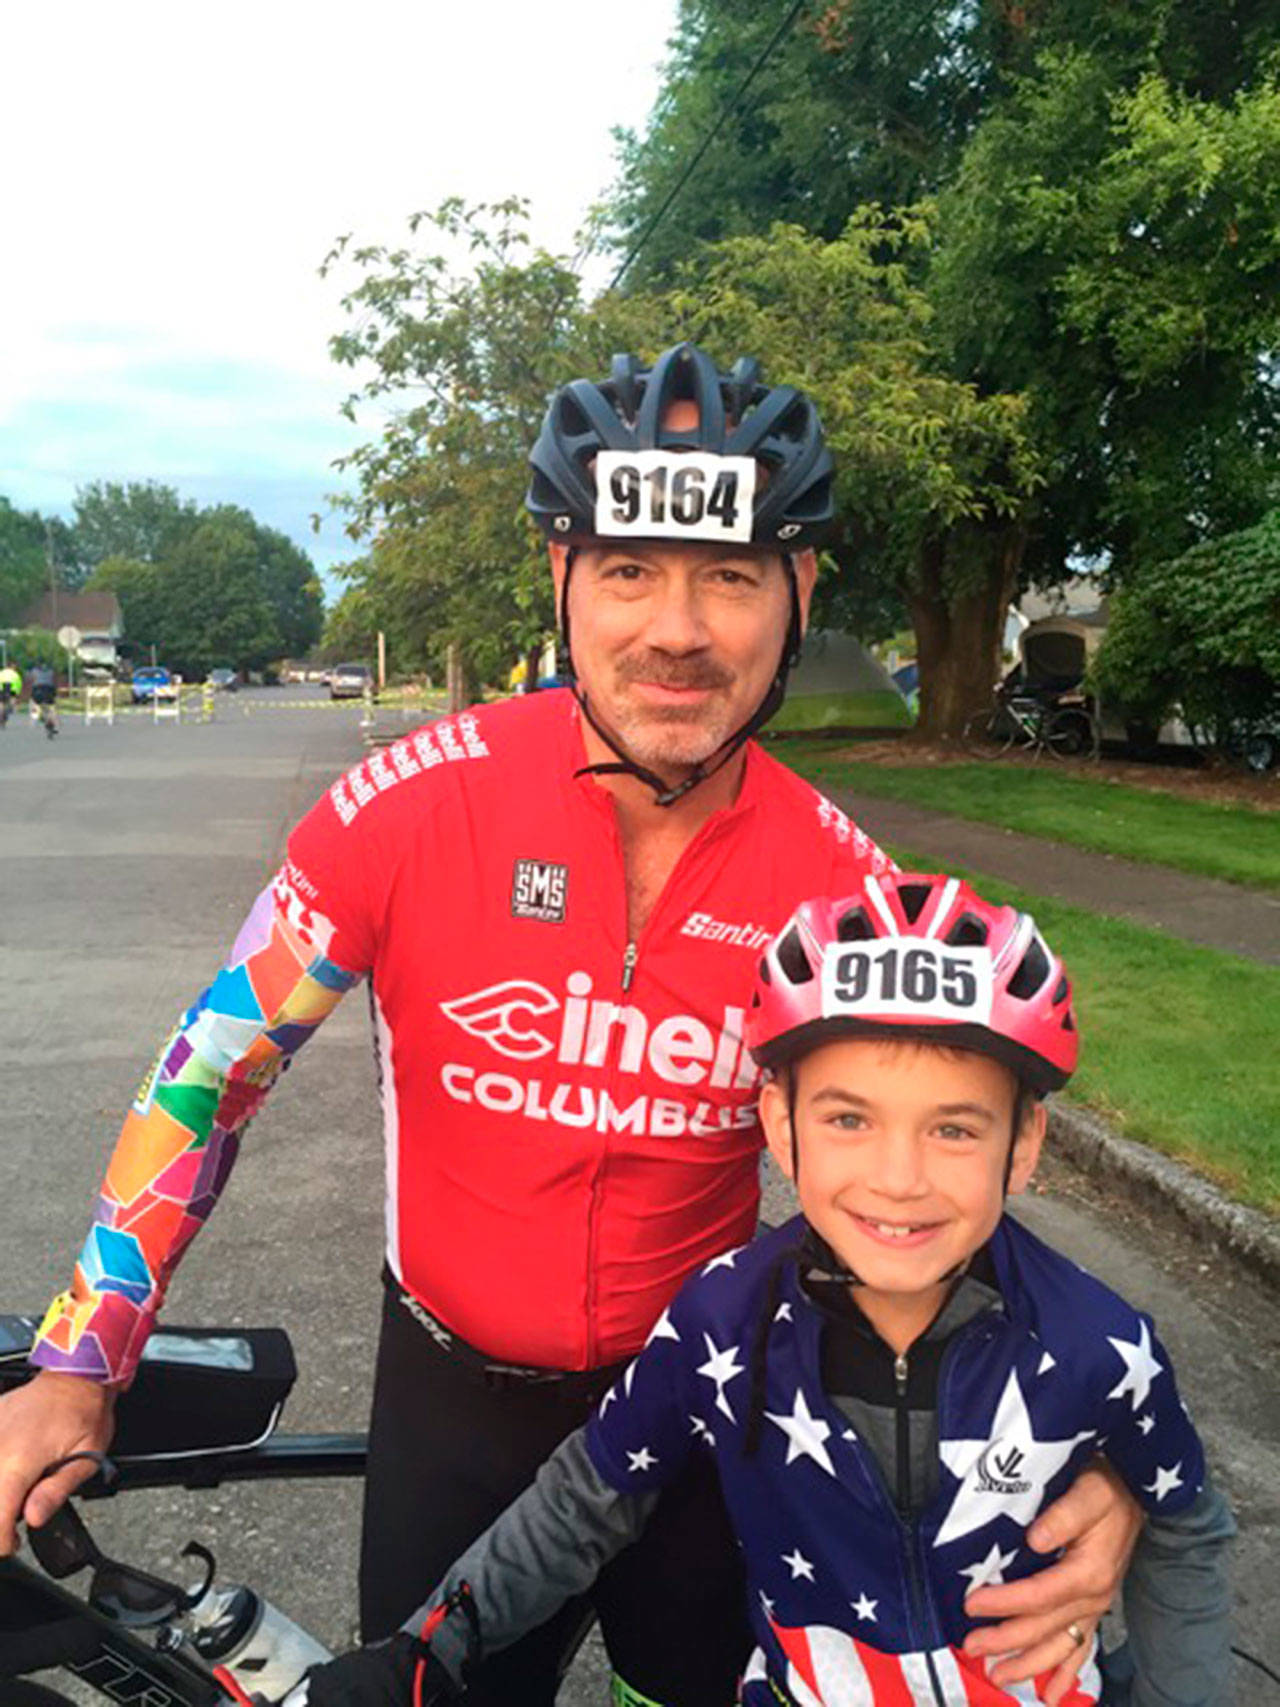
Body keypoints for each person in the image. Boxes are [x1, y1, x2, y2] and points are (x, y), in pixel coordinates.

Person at [0, 345, 1138, 1706]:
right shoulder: (408, 806)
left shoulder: (844, 895)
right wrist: (81, 1356)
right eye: (629, 569)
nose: (677, 629)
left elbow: (935, 1186)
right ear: (561, 578)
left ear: (801, 590)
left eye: (730, 576)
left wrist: (1094, 1445)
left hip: (718, 1407)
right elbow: (211, 1072)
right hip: (453, 1408)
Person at [298, 872, 1234, 1707]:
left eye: (954, 1129)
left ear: (1024, 1144)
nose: (898, 1178)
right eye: (848, 1118)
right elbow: (584, 1496)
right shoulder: (722, 1319)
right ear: (779, 1125)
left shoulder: (1101, 1344)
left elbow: (1186, 1527)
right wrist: (431, 1645)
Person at [28, 662, 58, 733]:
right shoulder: (51, 671)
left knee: (33, 703)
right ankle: (52, 720)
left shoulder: (34, 671)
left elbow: (30, 679)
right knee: (52, 707)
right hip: (49, 690)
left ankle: (34, 718)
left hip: (37, 690)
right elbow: (54, 682)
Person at [0, 661, 21, 726]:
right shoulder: (15, 674)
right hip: (12, 690)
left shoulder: (1, 672)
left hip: (1, 689)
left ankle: (1, 714)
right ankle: (5, 713)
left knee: (1, 703)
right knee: (11, 704)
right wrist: (18, 694)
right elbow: (19, 684)